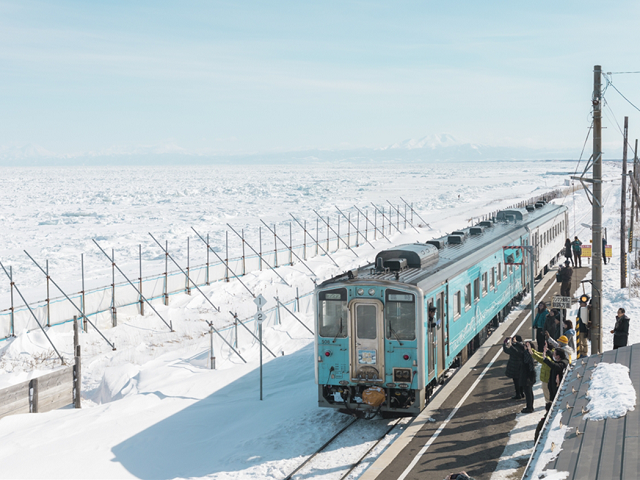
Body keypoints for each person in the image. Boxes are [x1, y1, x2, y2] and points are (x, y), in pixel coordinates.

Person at [503, 335, 525, 399]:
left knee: (516, 382)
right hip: (521, 367)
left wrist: (505, 343)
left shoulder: (513, 348)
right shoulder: (522, 347)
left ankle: (518, 394)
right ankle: (522, 393)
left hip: (514, 367)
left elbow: (506, 350)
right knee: (521, 381)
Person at [521, 341, 537, 413]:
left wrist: (525, 350)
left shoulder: (527, 354)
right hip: (530, 374)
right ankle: (530, 406)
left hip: (527, 375)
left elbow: (525, 361)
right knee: (529, 391)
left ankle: (529, 407)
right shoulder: (530, 353)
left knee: (528, 392)